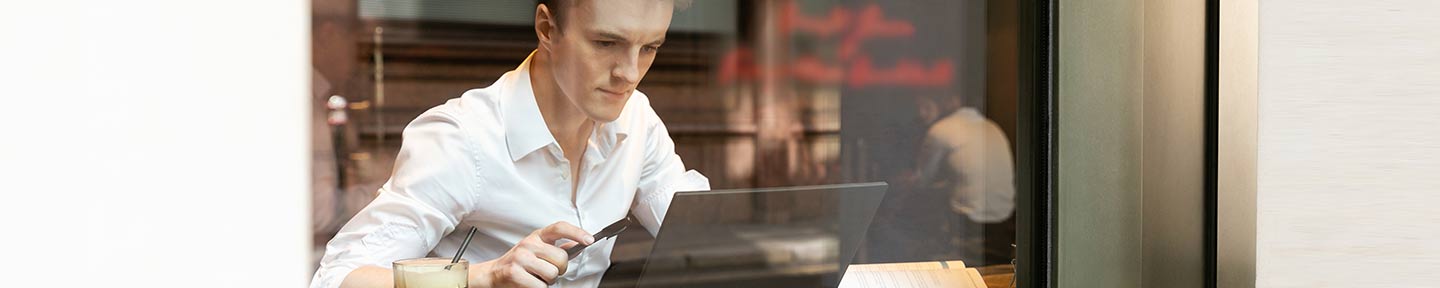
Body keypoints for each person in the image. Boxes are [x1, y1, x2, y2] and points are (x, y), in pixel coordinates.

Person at [309, 1, 707, 287]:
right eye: (606, 43)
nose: (630, 72)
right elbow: (338, 278)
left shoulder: (636, 119)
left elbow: (700, 234)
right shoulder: (463, 138)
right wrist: (486, 276)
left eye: (650, 47)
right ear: (548, 29)